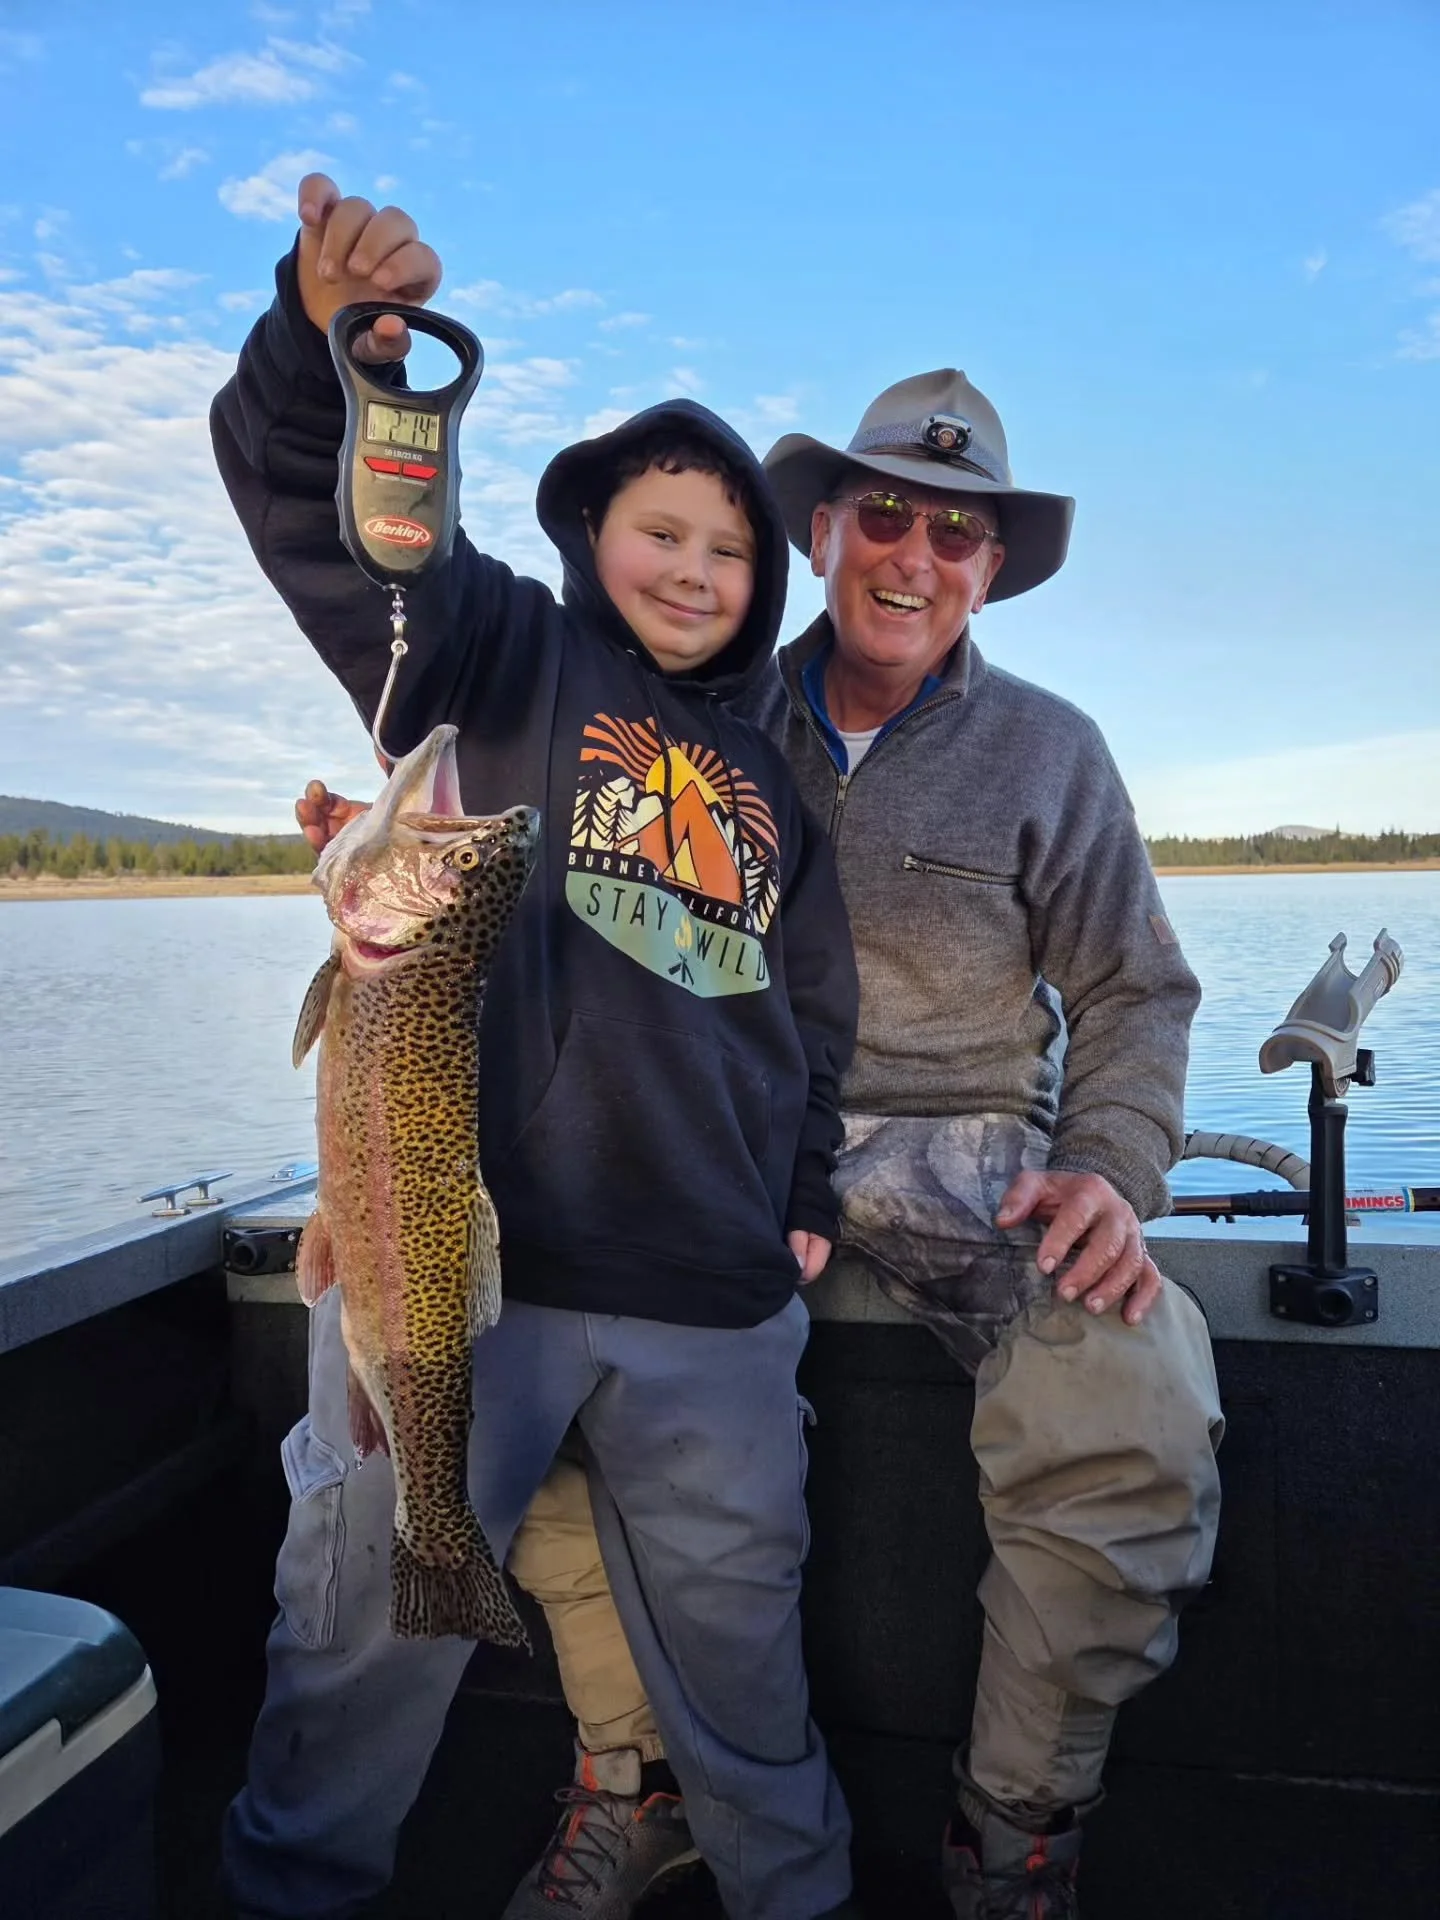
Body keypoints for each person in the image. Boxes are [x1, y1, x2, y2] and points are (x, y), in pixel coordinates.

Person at [291, 362, 1224, 1913]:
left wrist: (1113, 1174)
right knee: (534, 1355)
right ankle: (631, 1773)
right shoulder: (700, 701)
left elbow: (1138, 985)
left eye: (958, 532)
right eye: (887, 516)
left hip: (966, 1146)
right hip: (701, 1147)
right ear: (829, 530)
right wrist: (377, 1117)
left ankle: (1013, 1825)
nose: (916, 555)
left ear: (992, 569)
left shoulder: (1054, 751)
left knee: (1134, 1393)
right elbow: (486, 848)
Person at [213, 174, 861, 1920]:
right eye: (663, 531)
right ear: (594, 536)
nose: (697, 568)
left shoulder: (776, 788)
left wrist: (800, 1188)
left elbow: (817, 1009)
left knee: (752, 1691)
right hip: (453, 1282)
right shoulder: (501, 652)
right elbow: (352, 526)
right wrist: (342, 359)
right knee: (352, 1660)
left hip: (715, 1300)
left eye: (731, 552)